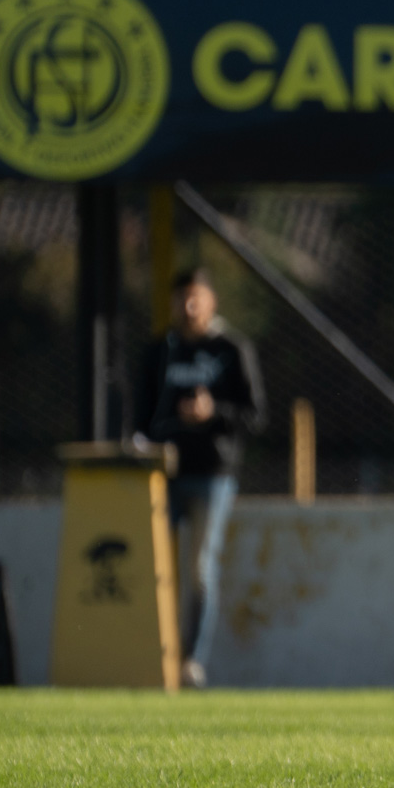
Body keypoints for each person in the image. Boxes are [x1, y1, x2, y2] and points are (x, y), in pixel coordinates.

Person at [137, 269, 267, 688]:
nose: (189, 307)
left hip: (213, 474)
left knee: (199, 567)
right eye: (181, 299)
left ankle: (191, 661)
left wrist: (214, 414)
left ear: (212, 302)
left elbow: (256, 417)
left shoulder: (231, 349)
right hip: (164, 475)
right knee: (153, 563)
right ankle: (151, 654)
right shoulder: (160, 351)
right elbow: (141, 416)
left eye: (196, 298)